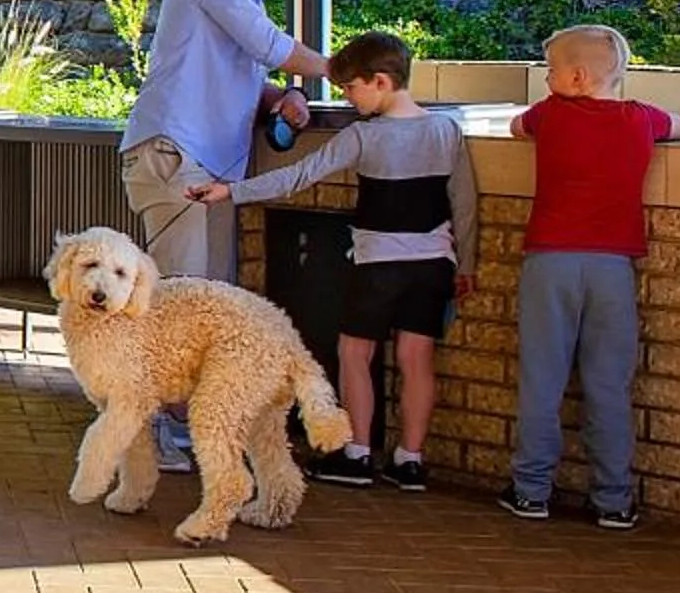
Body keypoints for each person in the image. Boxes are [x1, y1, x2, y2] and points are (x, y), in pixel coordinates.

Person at [187, 31, 476, 491]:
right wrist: (467, 265)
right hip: (433, 263)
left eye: (351, 88)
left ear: (380, 82)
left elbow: (298, 176)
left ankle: (358, 452)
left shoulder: (365, 135)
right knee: (415, 357)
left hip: (377, 261)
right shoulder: (446, 130)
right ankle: (410, 460)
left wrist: (231, 191)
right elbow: (464, 203)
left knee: (354, 352)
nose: (347, 97)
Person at [117, 0, 331, 472]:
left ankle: (183, 427)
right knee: (178, 301)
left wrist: (278, 98)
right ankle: (148, 429)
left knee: (202, 300)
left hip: (205, 166)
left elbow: (241, 73)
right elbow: (267, 44)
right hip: (178, 156)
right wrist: (342, 71)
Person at [502, 24, 680, 530]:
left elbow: (518, 127)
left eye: (551, 69)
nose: (545, 79)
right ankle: (614, 500)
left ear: (577, 76)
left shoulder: (552, 114)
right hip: (614, 269)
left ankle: (531, 490)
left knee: (542, 379)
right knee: (608, 385)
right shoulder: (640, 118)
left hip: (551, 262)